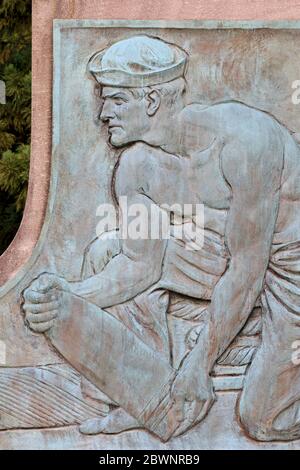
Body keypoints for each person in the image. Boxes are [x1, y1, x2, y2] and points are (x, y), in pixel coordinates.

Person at [23, 36, 300, 441]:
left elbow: (246, 274)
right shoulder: (135, 166)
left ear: (151, 99)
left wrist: (199, 363)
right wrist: (67, 296)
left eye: (115, 100)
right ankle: (152, 399)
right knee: (107, 250)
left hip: (291, 268)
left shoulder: (245, 141)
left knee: (261, 420)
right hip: (229, 254)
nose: (102, 113)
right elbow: (138, 267)